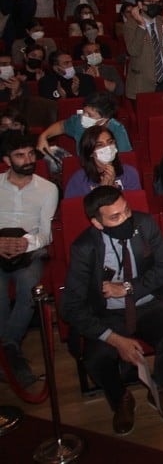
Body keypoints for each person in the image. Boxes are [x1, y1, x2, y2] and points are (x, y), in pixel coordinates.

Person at [59, 186, 163, 436]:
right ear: (97, 223)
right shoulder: (84, 248)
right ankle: (121, 399)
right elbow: (71, 307)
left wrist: (127, 288)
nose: (125, 219)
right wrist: (115, 340)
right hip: (107, 314)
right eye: (114, 217)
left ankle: (158, 390)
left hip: (146, 302)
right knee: (96, 358)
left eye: (126, 211)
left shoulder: (145, 224)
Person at [0, 133, 58, 387]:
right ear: (6, 160)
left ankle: (7, 347)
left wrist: (25, 243)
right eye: (20, 156)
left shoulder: (48, 189)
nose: (28, 160)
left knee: (27, 287)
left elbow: (46, 234)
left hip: (31, 249)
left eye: (31, 154)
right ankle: (10, 350)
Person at [37, 91, 132, 154]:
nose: (84, 117)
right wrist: (43, 136)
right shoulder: (78, 121)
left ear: (105, 118)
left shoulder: (118, 130)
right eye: (84, 112)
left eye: (90, 115)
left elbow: (125, 158)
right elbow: (61, 126)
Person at [65, 126, 142, 198]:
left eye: (110, 142)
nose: (107, 148)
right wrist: (102, 190)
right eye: (100, 145)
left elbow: (135, 204)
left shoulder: (129, 173)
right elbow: (73, 209)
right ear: (90, 152)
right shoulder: (78, 180)